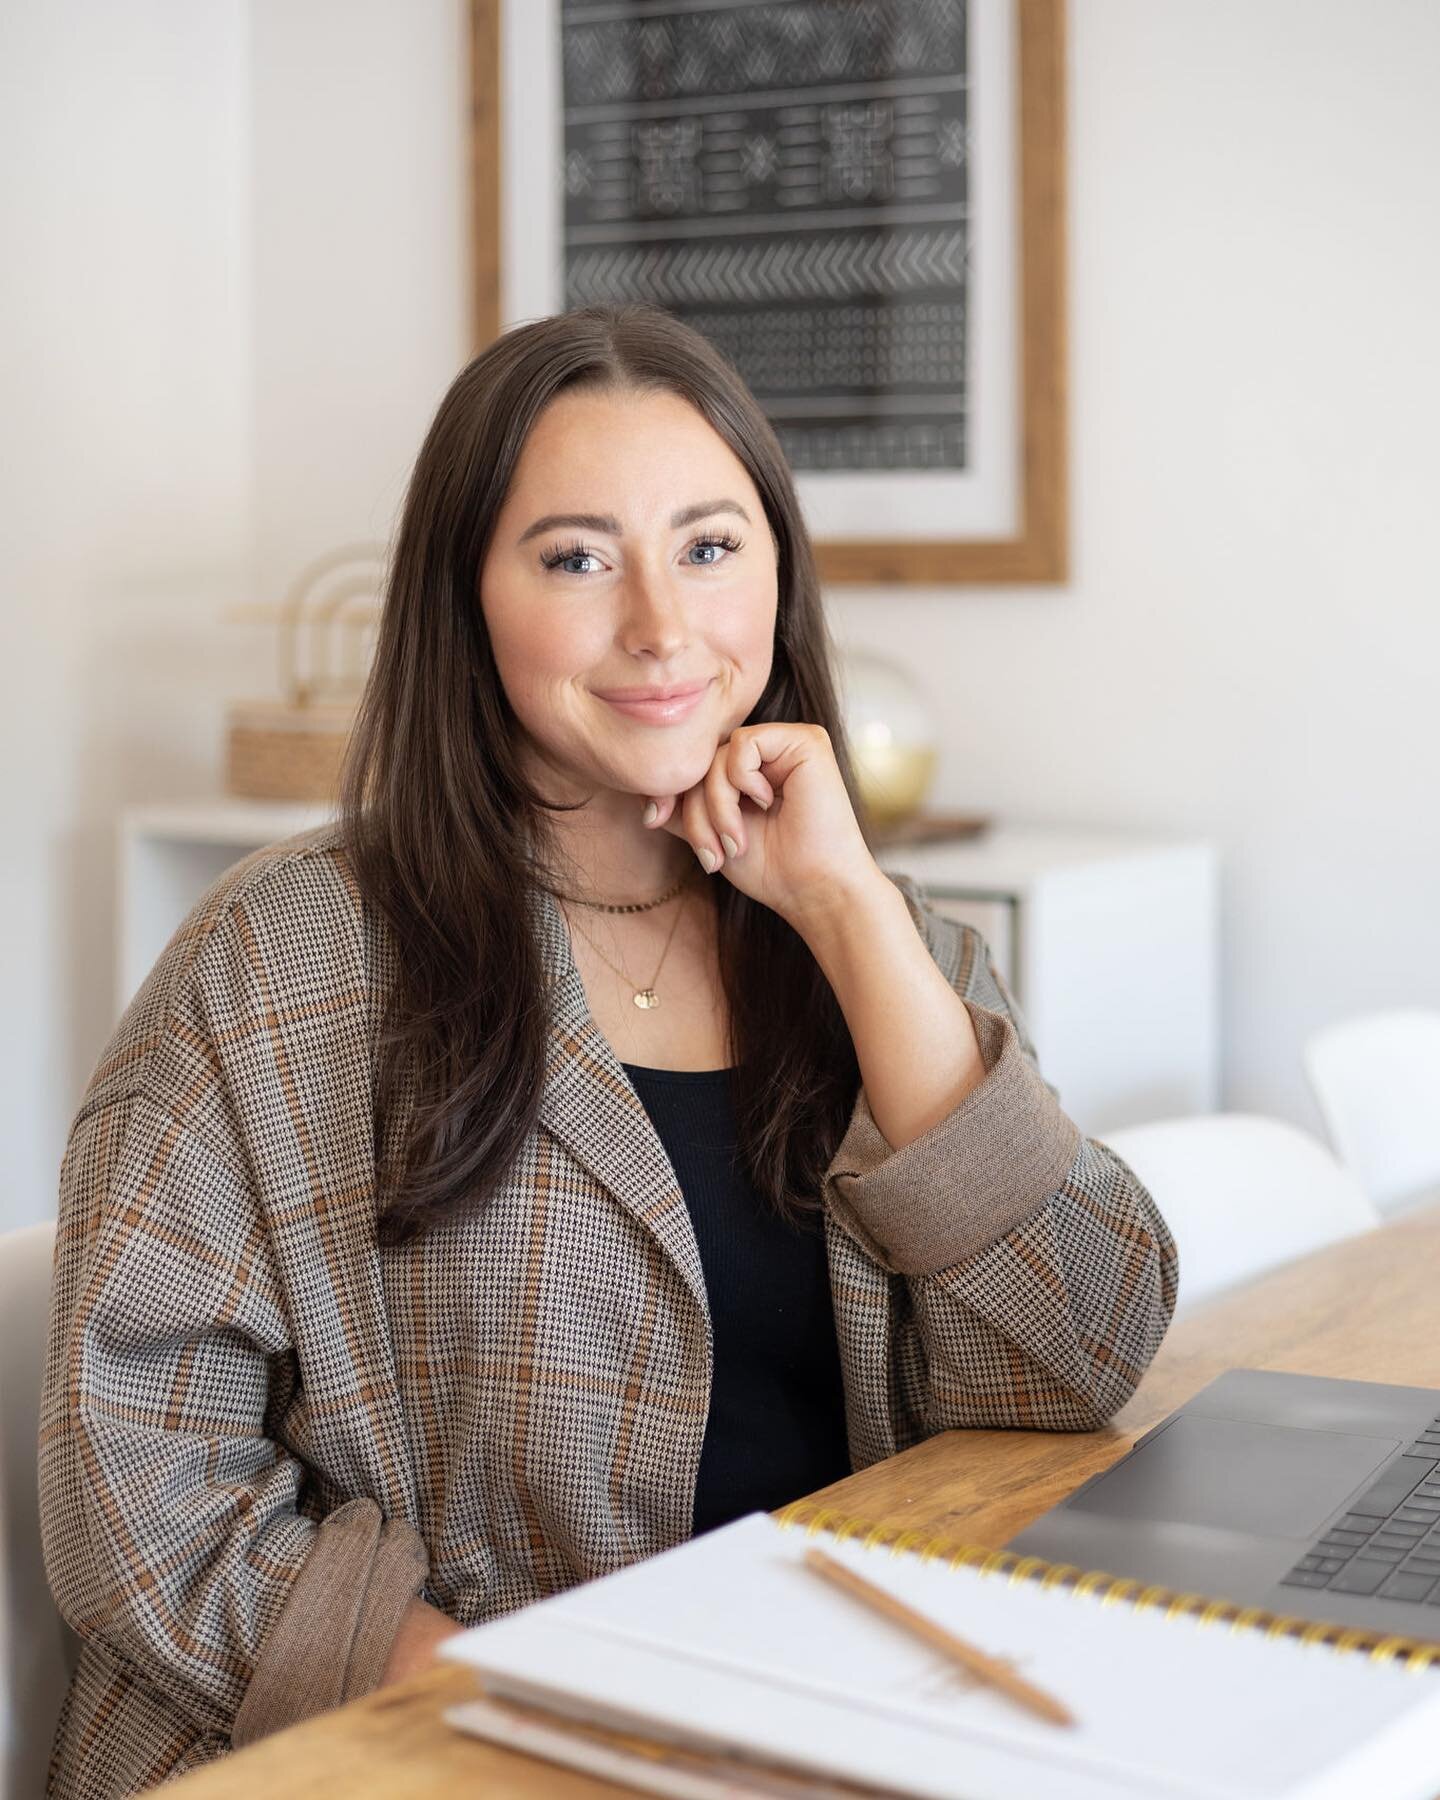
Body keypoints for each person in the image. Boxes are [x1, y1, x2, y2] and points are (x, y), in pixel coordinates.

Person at [40, 304, 1179, 1795]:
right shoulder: (274, 965)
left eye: (709, 547)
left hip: (809, 1720)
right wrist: (574, 1714)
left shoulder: (883, 944)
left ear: (778, 570)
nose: (660, 624)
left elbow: (1080, 1356)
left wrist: (843, 907)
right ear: (468, 597)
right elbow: (139, 1491)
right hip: (400, 1752)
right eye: (576, 557)